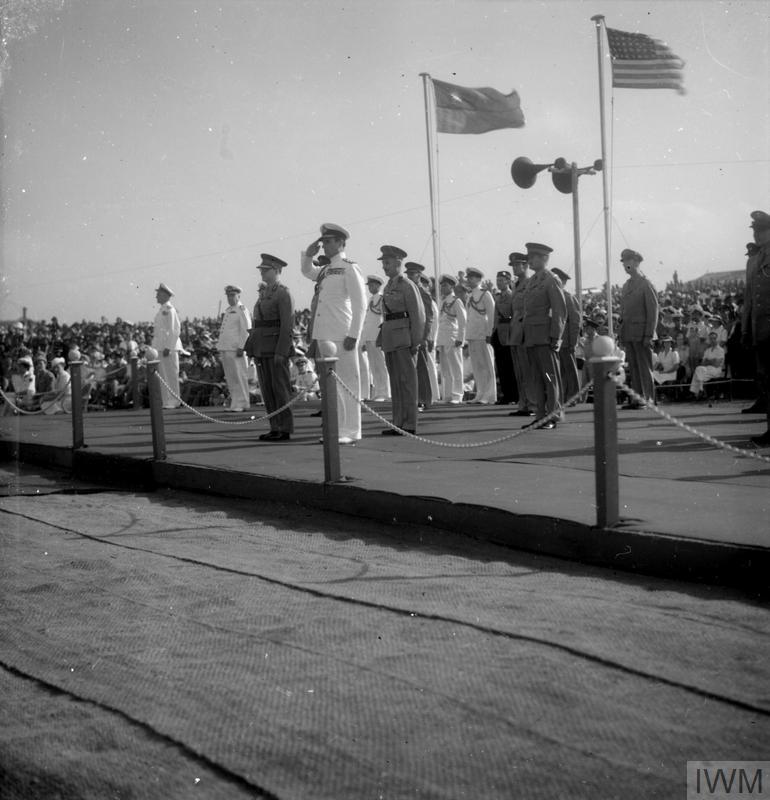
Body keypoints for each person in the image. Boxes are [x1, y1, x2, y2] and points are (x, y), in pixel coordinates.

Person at [301, 223, 366, 444]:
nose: (325, 246)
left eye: (328, 242)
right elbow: (307, 271)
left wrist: (354, 334)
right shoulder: (327, 270)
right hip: (324, 333)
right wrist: (309, 255)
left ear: (340, 242)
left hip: (342, 333)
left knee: (348, 382)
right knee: (331, 387)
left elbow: (360, 304)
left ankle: (352, 430)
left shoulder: (349, 267)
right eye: (323, 242)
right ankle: (338, 428)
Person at [245, 254, 295, 441]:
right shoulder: (265, 293)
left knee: (280, 388)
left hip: (275, 347)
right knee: (267, 389)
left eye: (266, 270)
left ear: (277, 271)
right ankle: (275, 426)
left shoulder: (283, 293)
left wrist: (282, 351)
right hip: (262, 346)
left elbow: (287, 325)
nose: (262, 272)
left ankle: (285, 428)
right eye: (262, 269)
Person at [377, 245, 425, 435]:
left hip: (404, 340)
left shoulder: (407, 285)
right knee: (396, 383)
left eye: (387, 263)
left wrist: (416, 342)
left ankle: (410, 424)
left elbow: (418, 316)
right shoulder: (388, 286)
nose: (384, 267)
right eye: (383, 263)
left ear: (398, 263)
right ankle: (398, 423)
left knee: (407, 383)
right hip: (390, 337)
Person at [521, 243, 566, 428]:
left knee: (549, 377)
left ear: (544, 258)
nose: (530, 261)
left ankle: (553, 415)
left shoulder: (551, 279)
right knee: (538, 378)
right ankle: (540, 415)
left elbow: (559, 310)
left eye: (533, 257)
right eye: (529, 257)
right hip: (532, 336)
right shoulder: (532, 281)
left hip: (545, 336)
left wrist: (556, 337)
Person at [742, 209, 770, 445]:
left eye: (762, 230)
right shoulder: (756, 260)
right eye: (756, 231)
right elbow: (750, 297)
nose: (758, 235)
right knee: (767, 380)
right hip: (760, 328)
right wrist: (745, 329)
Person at [618, 249, 659, 409]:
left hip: (642, 333)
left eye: (627, 261)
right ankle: (637, 398)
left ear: (636, 262)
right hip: (629, 333)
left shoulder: (646, 284)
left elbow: (653, 311)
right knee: (634, 368)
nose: (625, 265)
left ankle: (647, 398)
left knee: (644, 367)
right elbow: (623, 312)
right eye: (623, 262)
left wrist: (649, 334)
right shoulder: (627, 285)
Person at [507, 252, 536, 417]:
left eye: (517, 265)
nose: (514, 268)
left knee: (528, 370)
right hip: (515, 332)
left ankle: (532, 404)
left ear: (525, 265)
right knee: (519, 371)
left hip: (525, 331)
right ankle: (523, 404)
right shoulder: (516, 285)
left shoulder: (530, 283)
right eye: (513, 265)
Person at [405, 262, 436, 409]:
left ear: (419, 275)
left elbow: (429, 316)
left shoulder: (423, 292)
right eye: (408, 274)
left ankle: (424, 400)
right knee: (412, 369)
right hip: (408, 334)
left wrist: (424, 336)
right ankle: (416, 398)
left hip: (420, 335)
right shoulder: (408, 289)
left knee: (421, 369)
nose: (410, 276)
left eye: (413, 274)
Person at [216, 285, 252, 412]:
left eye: (232, 295)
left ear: (239, 296)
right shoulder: (228, 310)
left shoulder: (241, 309)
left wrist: (242, 347)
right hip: (226, 347)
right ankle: (235, 402)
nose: (230, 298)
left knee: (239, 376)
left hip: (236, 348)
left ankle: (243, 402)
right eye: (228, 296)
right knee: (231, 377)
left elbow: (246, 329)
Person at [464, 267, 497, 404]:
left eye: (472, 278)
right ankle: (480, 393)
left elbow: (491, 315)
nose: (469, 280)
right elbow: (469, 317)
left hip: (483, 334)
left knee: (486, 365)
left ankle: (489, 395)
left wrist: (489, 333)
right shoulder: (470, 296)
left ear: (478, 279)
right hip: (473, 334)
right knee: (477, 366)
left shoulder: (485, 294)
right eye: (468, 278)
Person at [551, 268, 581, 406]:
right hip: (556, 338)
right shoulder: (553, 297)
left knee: (569, 368)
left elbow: (575, 321)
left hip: (566, 339)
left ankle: (573, 396)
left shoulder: (568, 297)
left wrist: (573, 342)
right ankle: (563, 396)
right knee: (560, 369)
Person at [435, 274, 467, 404]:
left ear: (452, 286)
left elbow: (463, 321)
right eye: (441, 285)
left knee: (456, 368)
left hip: (453, 338)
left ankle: (457, 395)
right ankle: (447, 395)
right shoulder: (443, 301)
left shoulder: (456, 301)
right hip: (443, 338)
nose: (442, 287)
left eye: (445, 285)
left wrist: (461, 338)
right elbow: (439, 322)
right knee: (445, 369)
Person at [152, 283, 183, 409]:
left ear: (165, 295)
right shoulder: (162, 310)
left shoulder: (170, 310)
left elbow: (175, 330)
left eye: (158, 294)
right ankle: (167, 401)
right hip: (161, 347)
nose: (156, 296)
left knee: (171, 375)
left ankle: (174, 400)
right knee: (163, 375)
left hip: (168, 348)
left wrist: (168, 347)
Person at [361, 275, 390, 401]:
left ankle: (385, 392)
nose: (370, 287)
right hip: (369, 335)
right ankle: (378, 392)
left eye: (373, 285)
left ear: (378, 285)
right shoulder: (370, 300)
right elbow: (367, 321)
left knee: (381, 365)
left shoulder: (382, 299)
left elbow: (384, 318)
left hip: (378, 335)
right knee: (373, 365)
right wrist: (363, 339)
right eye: (369, 285)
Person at [491, 269, 517, 405]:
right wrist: (493, 332)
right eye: (497, 280)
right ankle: (506, 395)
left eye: (501, 280)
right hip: (499, 332)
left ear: (508, 281)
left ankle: (514, 394)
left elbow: (514, 315)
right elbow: (495, 317)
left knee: (510, 366)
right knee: (501, 366)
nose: (498, 283)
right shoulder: (498, 297)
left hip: (509, 332)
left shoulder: (511, 296)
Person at [689, 330, 725, 398]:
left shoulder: (720, 350)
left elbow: (717, 364)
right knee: (699, 369)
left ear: (717, 339)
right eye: (711, 339)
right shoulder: (707, 350)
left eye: (714, 338)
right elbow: (703, 363)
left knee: (698, 370)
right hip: (706, 370)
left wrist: (708, 361)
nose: (712, 340)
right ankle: (700, 389)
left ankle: (697, 392)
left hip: (716, 370)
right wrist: (712, 361)